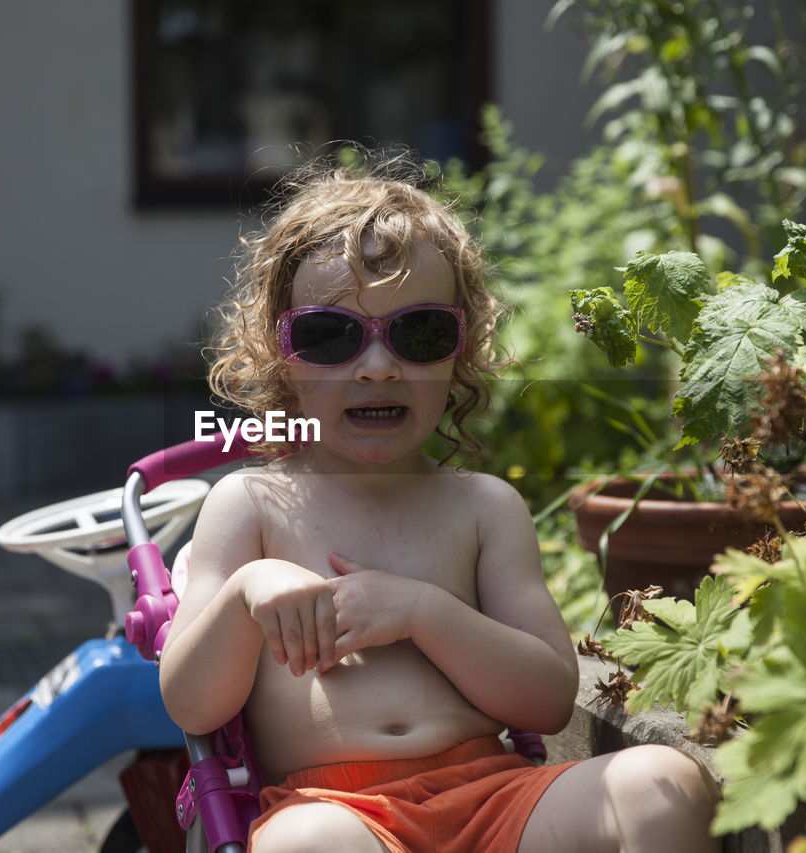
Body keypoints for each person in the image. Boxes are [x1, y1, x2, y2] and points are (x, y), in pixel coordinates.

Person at [158, 153, 719, 853]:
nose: (377, 365)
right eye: (328, 335)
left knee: (664, 783)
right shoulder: (251, 504)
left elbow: (547, 698)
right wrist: (247, 593)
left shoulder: (482, 506)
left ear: (460, 350)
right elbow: (189, 703)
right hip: (337, 809)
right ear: (281, 357)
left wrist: (422, 611)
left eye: (418, 333)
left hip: (496, 799)